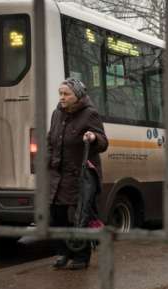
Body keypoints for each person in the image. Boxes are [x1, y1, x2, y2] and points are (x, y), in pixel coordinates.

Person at [48, 77, 108, 270]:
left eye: (66, 94)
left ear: (77, 96)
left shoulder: (90, 114)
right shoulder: (57, 113)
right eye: (60, 93)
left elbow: (104, 142)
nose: (62, 97)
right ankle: (63, 253)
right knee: (57, 216)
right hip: (58, 176)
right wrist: (47, 160)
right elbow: (51, 140)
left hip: (80, 176)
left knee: (79, 216)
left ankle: (81, 256)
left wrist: (93, 137)